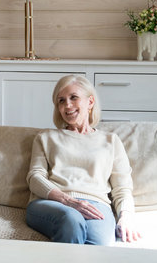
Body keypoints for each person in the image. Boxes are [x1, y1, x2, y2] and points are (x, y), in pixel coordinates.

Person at [26, 75, 141, 246]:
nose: (67, 105)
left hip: (97, 205)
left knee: (99, 245)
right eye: (61, 101)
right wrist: (68, 201)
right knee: (71, 220)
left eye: (73, 97)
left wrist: (126, 216)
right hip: (52, 203)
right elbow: (35, 178)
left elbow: (122, 188)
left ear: (90, 102)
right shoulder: (46, 138)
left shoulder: (111, 141)